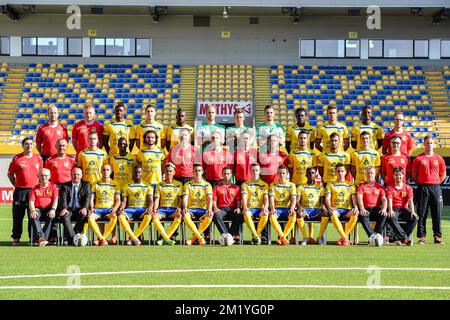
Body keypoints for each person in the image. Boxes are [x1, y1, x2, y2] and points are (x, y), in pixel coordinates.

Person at [7, 137, 43, 245]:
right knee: (18, 216)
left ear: (33, 146)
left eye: (31, 144)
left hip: (34, 191)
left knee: (33, 215)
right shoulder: (17, 158)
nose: (29, 146)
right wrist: (16, 185)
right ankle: (16, 237)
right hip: (20, 191)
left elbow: (42, 174)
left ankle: (32, 238)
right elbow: (10, 174)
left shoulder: (38, 158)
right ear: (23, 146)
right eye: (26, 144)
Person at [411, 135, 446, 244]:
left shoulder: (439, 158)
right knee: (422, 213)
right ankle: (422, 236)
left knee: (437, 212)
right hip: (423, 187)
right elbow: (414, 175)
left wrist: (436, 182)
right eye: (427, 143)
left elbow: (443, 174)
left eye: (431, 143)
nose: (429, 145)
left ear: (433, 144)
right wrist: (421, 183)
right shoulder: (418, 158)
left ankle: (437, 236)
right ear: (424, 144)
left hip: (435, 187)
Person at [117, 165, 153, 246]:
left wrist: (150, 208)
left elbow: (150, 201)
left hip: (142, 209)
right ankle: (135, 238)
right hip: (131, 209)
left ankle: (132, 238)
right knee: (120, 215)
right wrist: (122, 208)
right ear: (132, 173)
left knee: (149, 215)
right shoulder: (127, 186)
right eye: (135, 172)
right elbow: (124, 201)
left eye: (139, 172)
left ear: (142, 173)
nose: (137, 174)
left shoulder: (148, 186)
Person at [324, 164, 358, 246]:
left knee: (355, 213)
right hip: (336, 209)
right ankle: (345, 238)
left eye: (342, 171)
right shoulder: (330, 184)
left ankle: (343, 238)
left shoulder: (351, 185)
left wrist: (356, 207)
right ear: (335, 172)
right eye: (338, 171)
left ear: (345, 172)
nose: (340, 173)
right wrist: (329, 207)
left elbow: (354, 198)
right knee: (332, 213)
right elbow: (327, 198)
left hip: (347, 210)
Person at [87, 164, 120, 246]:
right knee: (90, 216)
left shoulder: (115, 184)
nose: (106, 172)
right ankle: (101, 239)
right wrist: (91, 207)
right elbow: (91, 198)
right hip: (98, 209)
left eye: (107, 170)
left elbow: (118, 200)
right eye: (104, 170)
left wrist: (115, 209)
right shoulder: (95, 184)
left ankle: (102, 238)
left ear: (111, 171)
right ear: (101, 171)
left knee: (114, 216)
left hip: (109, 209)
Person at [356, 166, 391, 243]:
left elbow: (384, 199)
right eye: (368, 173)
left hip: (376, 209)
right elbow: (359, 198)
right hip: (365, 208)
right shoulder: (361, 186)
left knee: (384, 214)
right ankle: (372, 236)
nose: (370, 175)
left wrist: (384, 209)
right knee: (362, 215)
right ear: (365, 174)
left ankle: (377, 235)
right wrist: (361, 209)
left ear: (375, 174)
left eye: (371, 173)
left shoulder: (380, 187)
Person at [181, 164, 213, 246]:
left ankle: (193, 238)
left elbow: (209, 198)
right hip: (191, 209)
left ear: (202, 172)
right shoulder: (188, 185)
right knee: (185, 214)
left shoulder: (207, 185)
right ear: (193, 172)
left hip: (203, 209)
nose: (197, 173)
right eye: (196, 171)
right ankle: (200, 238)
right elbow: (185, 198)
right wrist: (185, 207)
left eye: (199, 171)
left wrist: (209, 209)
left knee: (210, 215)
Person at [59, 167, 91, 245]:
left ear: (81, 175)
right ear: (71, 175)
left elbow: (87, 198)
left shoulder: (86, 184)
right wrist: (64, 208)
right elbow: (63, 198)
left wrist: (84, 208)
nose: (76, 176)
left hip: (80, 209)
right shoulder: (65, 186)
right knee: (64, 215)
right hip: (69, 209)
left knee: (84, 214)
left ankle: (72, 238)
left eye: (78, 174)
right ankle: (74, 239)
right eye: (74, 174)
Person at [152, 163, 182, 246]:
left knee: (179, 215)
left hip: (173, 209)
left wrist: (179, 208)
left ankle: (165, 238)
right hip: (162, 209)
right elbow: (157, 198)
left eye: (170, 171)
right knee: (154, 216)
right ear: (164, 173)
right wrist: (155, 209)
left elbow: (180, 199)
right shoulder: (160, 185)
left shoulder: (179, 184)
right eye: (167, 171)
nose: (168, 173)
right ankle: (166, 238)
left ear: (174, 172)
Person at [386, 167, 418, 245]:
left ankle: (399, 238)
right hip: (394, 209)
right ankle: (405, 239)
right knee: (390, 216)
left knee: (415, 218)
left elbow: (410, 200)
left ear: (403, 175)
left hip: (404, 209)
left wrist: (413, 211)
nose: (398, 177)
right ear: (393, 176)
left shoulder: (408, 188)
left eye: (400, 175)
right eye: (396, 175)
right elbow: (389, 199)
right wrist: (390, 210)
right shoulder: (389, 187)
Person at [296, 167, 327, 245]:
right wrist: (299, 207)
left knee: (325, 214)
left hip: (316, 210)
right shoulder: (301, 187)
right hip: (305, 210)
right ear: (306, 175)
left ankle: (319, 237)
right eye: (309, 173)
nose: (311, 175)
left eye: (313, 173)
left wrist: (322, 206)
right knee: (299, 214)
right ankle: (305, 237)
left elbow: (322, 201)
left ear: (315, 175)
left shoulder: (320, 188)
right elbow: (297, 200)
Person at [28, 168, 59, 246]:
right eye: (42, 175)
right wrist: (32, 210)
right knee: (33, 216)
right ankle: (42, 238)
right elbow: (31, 202)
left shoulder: (54, 187)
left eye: (46, 175)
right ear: (38, 176)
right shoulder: (34, 188)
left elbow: (55, 200)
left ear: (49, 176)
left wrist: (53, 209)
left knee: (52, 216)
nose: (44, 177)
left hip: (49, 209)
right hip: (38, 209)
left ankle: (40, 239)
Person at [267, 165, 297, 246]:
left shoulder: (292, 185)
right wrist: (272, 209)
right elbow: (271, 199)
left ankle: (281, 238)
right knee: (271, 216)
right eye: (280, 173)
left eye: (283, 173)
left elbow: (294, 198)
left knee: (294, 215)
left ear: (287, 174)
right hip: (277, 209)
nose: (282, 175)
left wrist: (292, 209)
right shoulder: (273, 185)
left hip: (287, 209)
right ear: (277, 174)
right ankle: (283, 238)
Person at [241, 163, 270, 245]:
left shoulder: (265, 185)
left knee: (265, 214)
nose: (255, 172)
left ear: (260, 171)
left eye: (256, 170)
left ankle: (255, 236)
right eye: (253, 170)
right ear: (250, 171)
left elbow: (266, 198)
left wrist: (266, 207)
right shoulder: (245, 184)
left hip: (260, 208)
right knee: (246, 213)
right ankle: (257, 236)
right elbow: (244, 197)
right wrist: (245, 207)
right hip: (250, 208)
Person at [212, 166, 242, 243]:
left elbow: (238, 200)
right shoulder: (216, 187)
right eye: (224, 174)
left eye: (228, 174)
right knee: (215, 215)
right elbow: (214, 200)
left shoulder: (236, 188)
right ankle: (228, 235)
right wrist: (215, 208)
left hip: (232, 209)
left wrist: (238, 207)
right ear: (222, 175)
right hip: (222, 209)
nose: (226, 175)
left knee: (239, 214)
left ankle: (227, 235)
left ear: (231, 175)